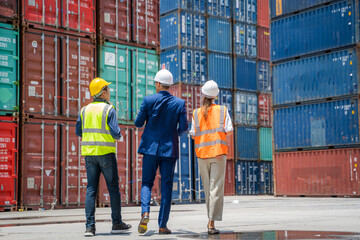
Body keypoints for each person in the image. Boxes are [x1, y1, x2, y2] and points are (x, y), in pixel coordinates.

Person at [75, 77, 131, 237]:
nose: (110, 92)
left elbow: (78, 131)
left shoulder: (84, 110)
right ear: (103, 92)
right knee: (113, 189)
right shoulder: (109, 109)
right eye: (108, 89)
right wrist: (119, 136)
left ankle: (90, 227)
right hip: (106, 154)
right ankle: (117, 223)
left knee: (91, 190)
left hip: (90, 155)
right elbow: (115, 132)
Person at [135, 68, 188, 235]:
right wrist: (174, 133)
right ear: (170, 85)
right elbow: (184, 127)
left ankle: (145, 212)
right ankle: (162, 225)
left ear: (158, 84)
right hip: (169, 149)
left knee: (147, 183)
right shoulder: (180, 103)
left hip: (150, 149)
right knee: (166, 187)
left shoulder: (148, 100)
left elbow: (138, 123)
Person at [189, 80, 233, 235]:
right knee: (215, 189)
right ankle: (211, 224)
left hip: (202, 155)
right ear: (216, 95)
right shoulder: (223, 110)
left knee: (208, 189)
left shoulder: (196, 113)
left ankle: (210, 220)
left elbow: (193, 134)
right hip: (218, 153)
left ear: (203, 94)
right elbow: (229, 130)